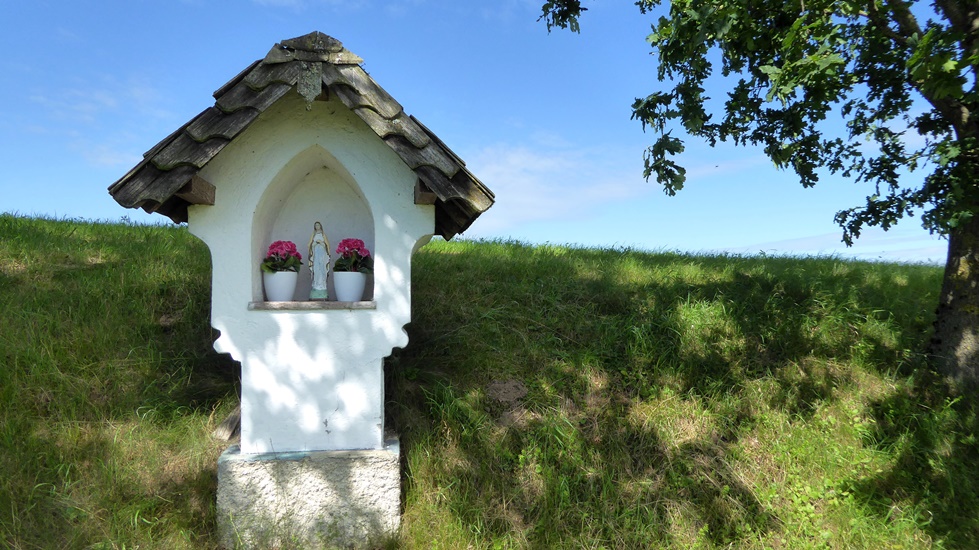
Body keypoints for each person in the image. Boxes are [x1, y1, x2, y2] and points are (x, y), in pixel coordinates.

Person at [308, 221, 330, 300]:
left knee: (322, 270)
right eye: (316, 225)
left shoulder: (323, 234)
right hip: (315, 255)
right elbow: (310, 245)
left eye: (318, 225)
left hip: (322, 255)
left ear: (320, 226)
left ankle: (322, 287)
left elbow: (327, 245)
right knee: (316, 270)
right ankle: (316, 286)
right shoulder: (313, 235)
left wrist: (321, 243)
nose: (317, 226)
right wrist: (314, 244)